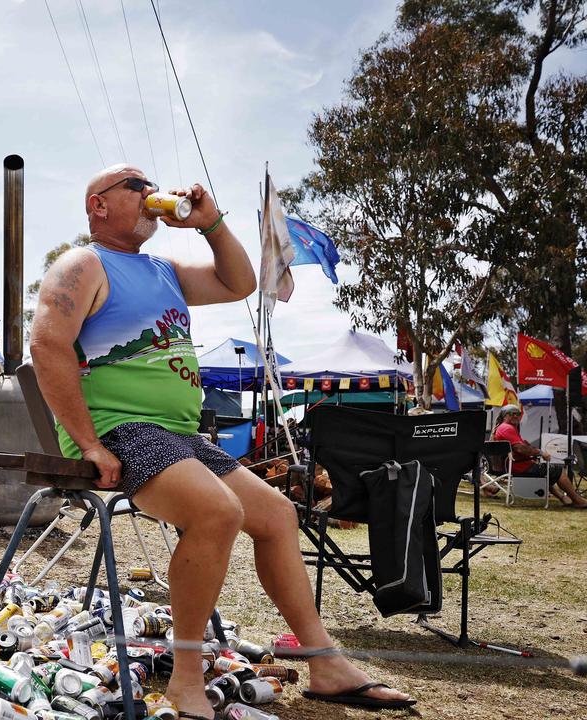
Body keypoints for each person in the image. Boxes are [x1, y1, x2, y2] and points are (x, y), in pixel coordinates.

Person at [28, 165, 414, 717]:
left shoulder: (163, 269)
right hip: (120, 430)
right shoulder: (83, 263)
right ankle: (185, 681)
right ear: (99, 206)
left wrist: (210, 224)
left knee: (278, 514)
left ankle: (325, 663)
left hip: (179, 435)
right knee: (217, 511)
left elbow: (239, 283)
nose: (147, 192)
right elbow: (47, 346)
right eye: (134, 186)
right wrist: (88, 442)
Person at [492, 404, 587, 507]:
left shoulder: (503, 428)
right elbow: (520, 448)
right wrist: (540, 453)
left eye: (518, 414)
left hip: (514, 466)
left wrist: (528, 447)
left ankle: (563, 498)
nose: (516, 416)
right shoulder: (507, 428)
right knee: (558, 470)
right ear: (505, 416)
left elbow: (520, 446)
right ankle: (578, 500)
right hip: (520, 467)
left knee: (546, 471)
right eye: (512, 413)